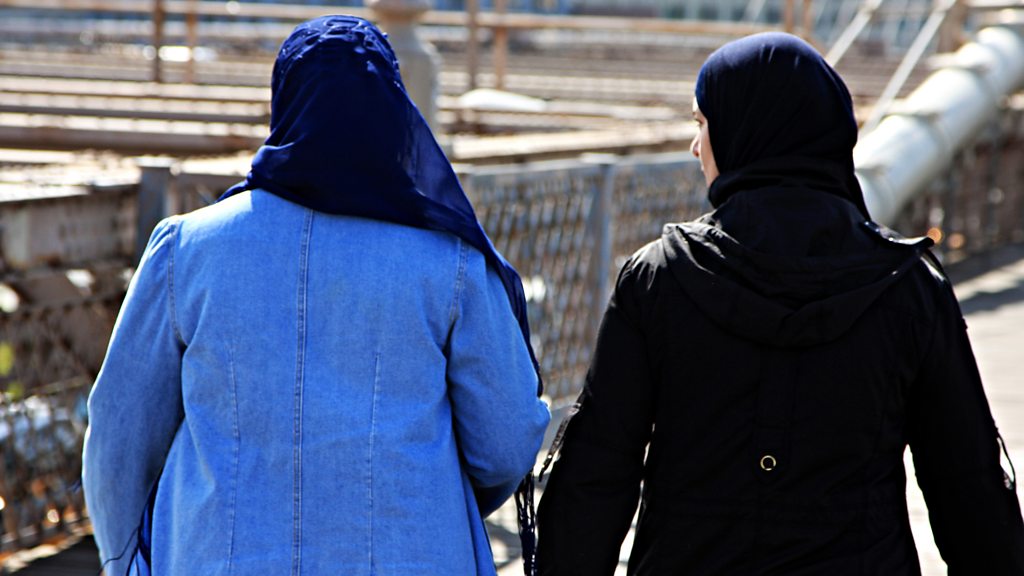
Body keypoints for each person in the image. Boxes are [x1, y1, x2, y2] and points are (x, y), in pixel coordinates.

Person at [536, 32, 1024, 575]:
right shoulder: (906, 287)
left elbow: (596, 475)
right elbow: (967, 486)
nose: (696, 147)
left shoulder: (660, 278)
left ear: (743, 128)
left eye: (702, 123)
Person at [83, 16, 549, 575]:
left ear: (284, 105)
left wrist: (121, 561)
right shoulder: (449, 264)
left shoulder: (189, 250)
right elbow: (505, 443)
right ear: (393, 116)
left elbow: (119, 434)